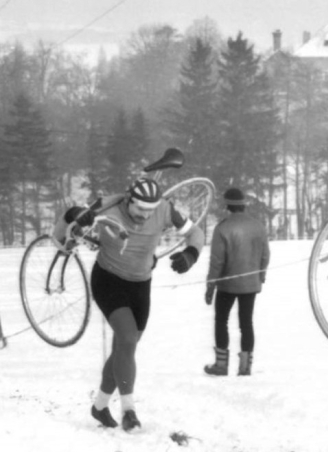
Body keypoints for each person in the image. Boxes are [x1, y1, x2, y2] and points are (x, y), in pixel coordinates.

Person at [53, 177, 205, 432]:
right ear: (128, 200)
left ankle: (100, 406)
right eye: (140, 209)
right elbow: (67, 225)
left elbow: (195, 232)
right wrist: (72, 224)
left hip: (140, 285)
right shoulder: (107, 208)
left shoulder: (164, 210)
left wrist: (192, 254)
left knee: (125, 349)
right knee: (127, 339)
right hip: (108, 280)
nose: (145, 215)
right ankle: (129, 410)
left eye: (150, 209)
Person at [204, 188, 271, 377]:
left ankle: (221, 364)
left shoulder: (222, 228)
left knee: (221, 320)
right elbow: (266, 254)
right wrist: (261, 276)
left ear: (227, 205)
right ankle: (245, 367)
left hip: (227, 284)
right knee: (246, 322)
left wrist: (211, 286)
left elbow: (217, 261)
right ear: (243, 204)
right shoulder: (258, 226)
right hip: (250, 283)